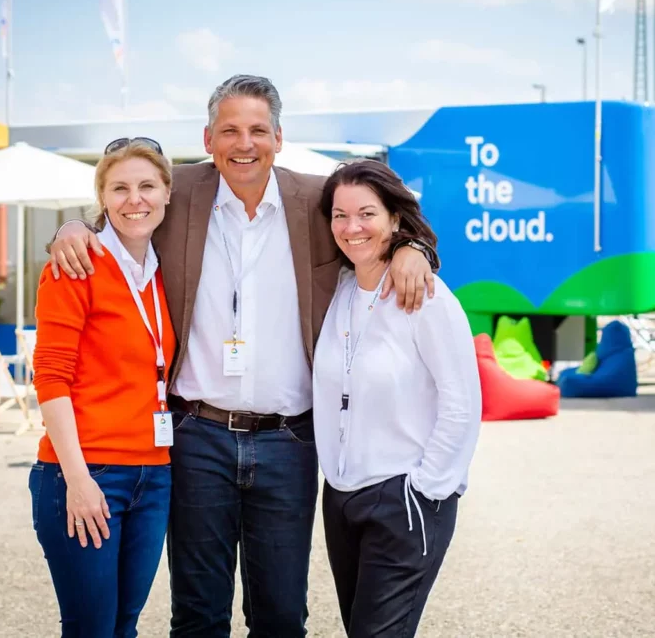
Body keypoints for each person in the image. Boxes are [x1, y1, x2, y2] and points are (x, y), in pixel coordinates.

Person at [46, 74, 440, 638]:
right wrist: (71, 228)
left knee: (281, 616)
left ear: (279, 137)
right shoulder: (177, 192)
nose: (244, 143)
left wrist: (413, 248)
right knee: (199, 614)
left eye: (258, 129)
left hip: (290, 440)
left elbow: (379, 219)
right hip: (196, 436)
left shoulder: (317, 200)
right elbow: (122, 207)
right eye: (229, 130)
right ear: (208, 139)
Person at [314, 159, 481, 638]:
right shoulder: (340, 290)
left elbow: (461, 402)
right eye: (339, 216)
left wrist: (428, 488)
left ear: (394, 219)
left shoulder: (425, 296)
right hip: (342, 498)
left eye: (366, 213)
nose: (352, 228)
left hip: (404, 499)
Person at [29, 138, 176, 637]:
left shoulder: (162, 274)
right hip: (87, 473)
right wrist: (78, 480)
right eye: (120, 188)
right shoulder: (74, 266)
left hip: (153, 477)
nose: (135, 199)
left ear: (167, 194)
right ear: (102, 199)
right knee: (91, 629)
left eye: (146, 186)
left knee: (124, 627)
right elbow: (50, 376)